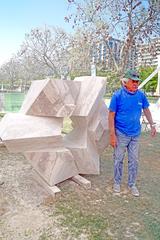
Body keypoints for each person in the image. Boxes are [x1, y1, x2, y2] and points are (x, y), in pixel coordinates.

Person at [108, 69, 156, 197]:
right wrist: (112, 135)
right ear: (126, 82)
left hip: (135, 134)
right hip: (121, 133)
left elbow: (146, 110)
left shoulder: (141, 95)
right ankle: (117, 182)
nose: (136, 84)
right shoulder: (117, 96)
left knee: (134, 160)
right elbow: (111, 116)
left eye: (137, 81)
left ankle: (132, 184)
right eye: (133, 81)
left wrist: (152, 124)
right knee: (118, 159)